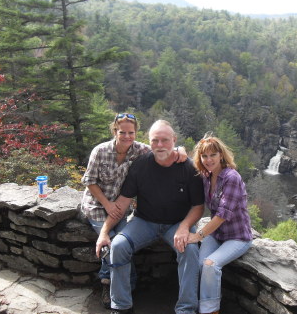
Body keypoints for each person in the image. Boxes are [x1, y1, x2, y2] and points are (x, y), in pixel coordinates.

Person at [96, 119, 205, 314]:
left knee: (190, 250)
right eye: (155, 140)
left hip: (177, 224)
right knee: (118, 246)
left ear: (174, 140)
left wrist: (184, 227)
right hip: (144, 221)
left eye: (165, 140)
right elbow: (123, 202)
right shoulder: (140, 165)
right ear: (149, 141)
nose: (160, 145)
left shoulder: (189, 168)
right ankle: (121, 306)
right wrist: (104, 232)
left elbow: (198, 206)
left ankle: (186, 309)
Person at [81, 113, 187, 309]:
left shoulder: (139, 150)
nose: (127, 136)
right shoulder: (101, 151)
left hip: (121, 206)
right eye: (122, 132)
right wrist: (106, 204)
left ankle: (126, 286)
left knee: (121, 243)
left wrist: (180, 149)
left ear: (136, 133)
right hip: (97, 205)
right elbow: (89, 182)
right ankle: (109, 283)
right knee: (110, 242)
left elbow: (162, 149)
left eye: (131, 133)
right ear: (115, 131)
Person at [188, 134, 253, 314]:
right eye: (204, 156)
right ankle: (198, 305)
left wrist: (198, 235)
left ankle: (210, 311)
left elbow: (223, 214)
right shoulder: (207, 177)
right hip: (217, 235)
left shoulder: (231, 177)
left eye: (213, 155)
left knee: (210, 265)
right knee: (199, 264)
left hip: (237, 237)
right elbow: (185, 167)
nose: (209, 160)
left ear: (221, 155)